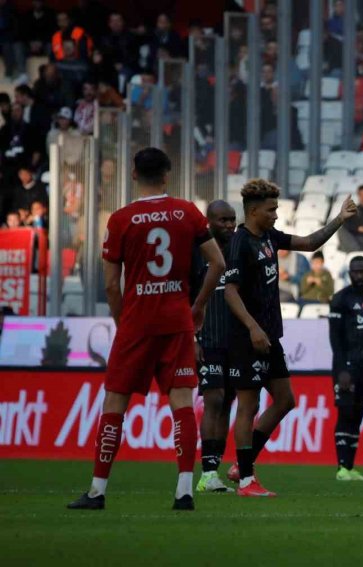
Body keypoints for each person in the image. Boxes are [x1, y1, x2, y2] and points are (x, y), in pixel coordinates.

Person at [67, 148, 226, 511]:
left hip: (137, 323)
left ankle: (96, 491)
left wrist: (125, 325)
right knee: (182, 403)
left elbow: (110, 284)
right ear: (167, 175)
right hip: (176, 321)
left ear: (134, 174)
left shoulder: (121, 219)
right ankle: (184, 490)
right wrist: (197, 306)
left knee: (114, 405)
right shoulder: (187, 212)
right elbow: (217, 263)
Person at [223, 181, 357, 497]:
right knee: (248, 403)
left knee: (285, 400)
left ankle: (241, 465)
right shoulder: (240, 243)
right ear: (254, 211)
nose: (276, 214)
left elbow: (310, 243)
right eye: (271, 209)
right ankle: (245, 479)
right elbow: (230, 291)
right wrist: (253, 328)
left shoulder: (269, 237)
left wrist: (339, 219)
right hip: (246, 337)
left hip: (270, 336)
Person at [191, 200, 237, 494]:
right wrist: (193, 338)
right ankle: (207, 473)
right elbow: (188, 298)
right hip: (207, 338)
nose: (229, 225)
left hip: (234, 341)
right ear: (209, 222)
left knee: (227, 403)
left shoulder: (238, 250)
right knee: (214, 400)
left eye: (232, 219)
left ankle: (214, 472)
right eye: (222, 220)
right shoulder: (198, 254)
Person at [329, 255, 363, 482]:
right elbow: (335, 340)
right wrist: (342, 370)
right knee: (346, 412)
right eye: (355, 272)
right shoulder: (340, 299)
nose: (359, 275)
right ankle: (341, 467)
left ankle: (350, 466)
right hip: (347, 367)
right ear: (349, 274)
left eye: (362, 271)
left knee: (358, 415)